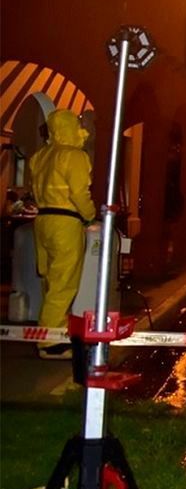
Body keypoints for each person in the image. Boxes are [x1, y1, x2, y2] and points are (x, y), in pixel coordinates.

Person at [29, 109, 97, 359]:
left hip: (42, 220)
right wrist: (91, 217)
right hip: (66, 222)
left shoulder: (40, 157)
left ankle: (54, 331)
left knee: (49, 280)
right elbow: (80, 193)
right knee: (63, 282)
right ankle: (50, 343)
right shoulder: (74, 156)